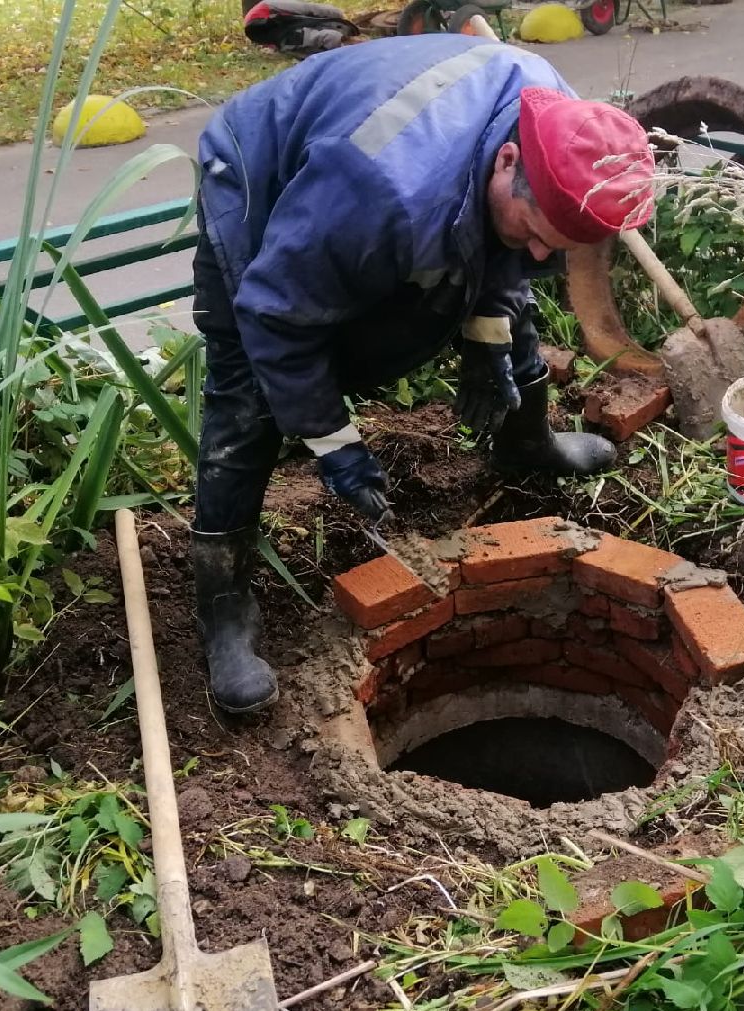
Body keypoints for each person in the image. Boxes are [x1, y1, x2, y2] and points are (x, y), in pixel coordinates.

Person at [191, 34, 655, 714]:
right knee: (247, 394)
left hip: (408, 182)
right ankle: (223, 609)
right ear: (506, 160)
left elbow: (508, 259)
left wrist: (487, 330)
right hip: (259, 165)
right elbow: (276, 315)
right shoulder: (382, 191)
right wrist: (333, 443)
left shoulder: (556, 121)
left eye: (553, 245)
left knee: (509, 304)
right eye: (532, 229)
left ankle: (523, 443)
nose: (535, 252)